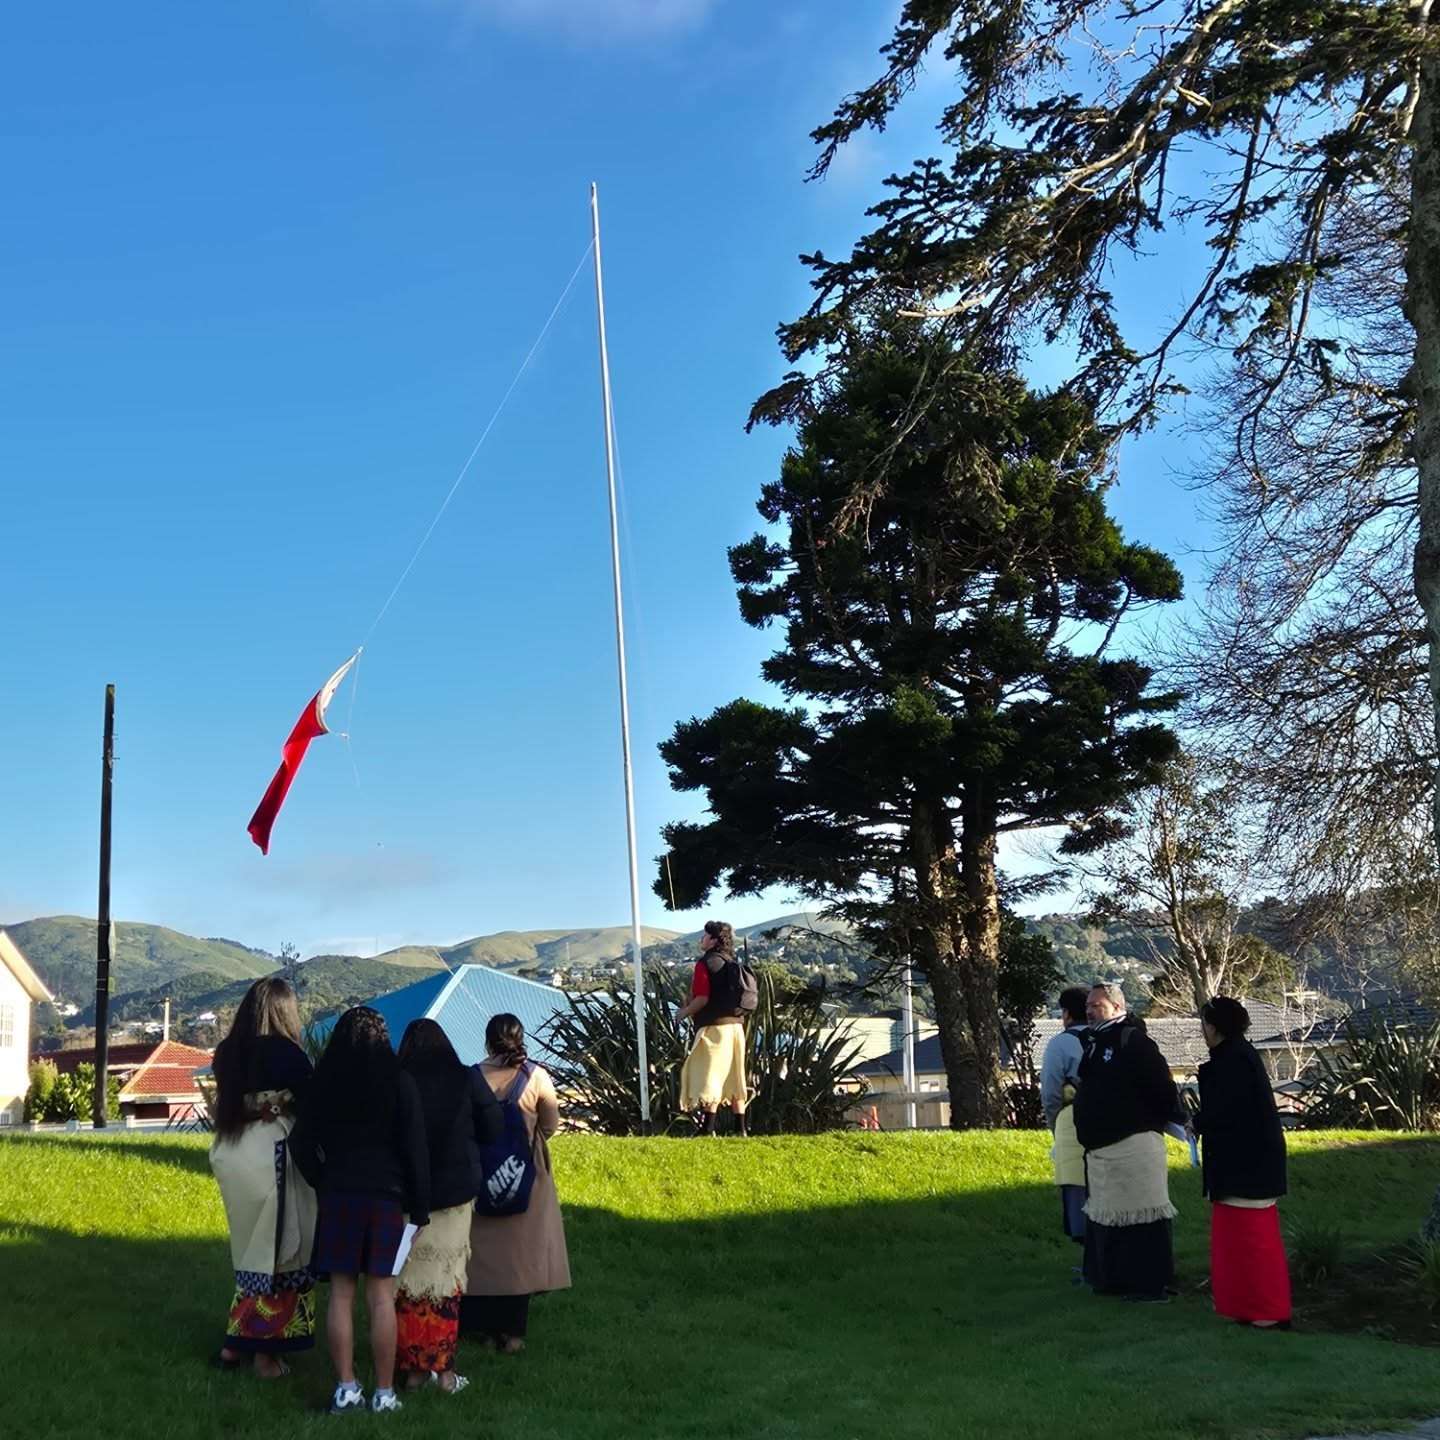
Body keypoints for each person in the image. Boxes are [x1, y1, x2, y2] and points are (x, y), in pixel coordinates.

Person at [291, 1006, 430, 1415]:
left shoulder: (324, 1083)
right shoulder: (400, 1082)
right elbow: (416, 1150)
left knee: (341, 1292)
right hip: (386, 1197)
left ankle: (347, 1386)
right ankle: (384, 1394)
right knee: (382, 1295)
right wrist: (420, 1209)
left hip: (338, 1196)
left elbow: (300, 1143)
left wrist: (323, 1179)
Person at [209, 977, 318, 1379]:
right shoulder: (289, 1055)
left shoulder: (226, 1053)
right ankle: (265, 1356)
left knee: (251, 1254)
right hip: (274, 1156)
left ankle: (233, 1347)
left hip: (233, 1154)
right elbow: (312, 1109)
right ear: (284, 1012)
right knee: (281, 1255)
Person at [393, 1018, 502, 1392]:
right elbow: (493, 1127)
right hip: (455, 1194)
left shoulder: (396, 1081)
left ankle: (412, 1370)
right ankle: (444, 1372)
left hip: (406, 1196)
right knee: (446, 1283)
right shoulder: (465, 1077)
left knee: (406, 1286)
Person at [462, 1013, 571, 1352]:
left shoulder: (470, 1077)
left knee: (480, 1254)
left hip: (481, 1173)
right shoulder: (535, 1076)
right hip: (524, 1173)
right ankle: (512, 1334)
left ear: (487, 1040)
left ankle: (477, 1327)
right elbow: (551, 1124)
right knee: (519, 1254)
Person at [1073, 980, 1182, 1303]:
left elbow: (1161, 1088)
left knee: (1142, 1220)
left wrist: (1165, 1120)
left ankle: (1149, 1285)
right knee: (1108, 1219)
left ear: (1118, 1007)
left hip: (1134, 1145)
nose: (1091, 1011)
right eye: (1088, 1006)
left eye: (1098, 1005)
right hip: (1101, 1149)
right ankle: (1110, 1279)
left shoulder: (1134, 1041)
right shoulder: (1093, 1042)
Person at [1190, 995, 1292, 1329]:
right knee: (1238, 1243)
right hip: (1246, 1166)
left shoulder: (1231, 1061)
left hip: (1246, 1167)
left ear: (1216, 1027)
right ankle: (1246, 1305)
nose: (1202, 1029)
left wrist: (1199, 1122)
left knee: (1253, 1244)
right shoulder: (1239, 1056)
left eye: (1205, 1023)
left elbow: (1227, 1111)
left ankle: (1266, 1309)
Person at [675, 920, 749, 1136]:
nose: (701, 939)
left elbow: (702, 998)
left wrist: (684, 1012)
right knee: (735, 1076)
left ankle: (708, 1129)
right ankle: (740, 1129)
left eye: (705, 936)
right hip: (736, 1027)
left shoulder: (705, 963)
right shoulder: (730, 962)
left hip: (714, 1028)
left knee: (709, 1076)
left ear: (713, 940)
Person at [1040, 986, 1091, 1247]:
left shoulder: (1059, 1044)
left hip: (1071, 1124)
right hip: (1109, 1124)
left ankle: (1088, 1265)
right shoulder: (1103, 1039)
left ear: (1066, 1013)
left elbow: (1050, 1093)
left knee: (1077, 1196)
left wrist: (1055, 1124)